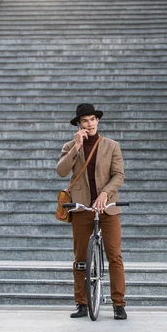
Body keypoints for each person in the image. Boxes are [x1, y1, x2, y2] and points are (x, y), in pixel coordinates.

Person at [56, 103, 127, 320]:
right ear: (79, 125)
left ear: (98, 121)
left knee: (114, 255)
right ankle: (82, 303)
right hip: (81, 207)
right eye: (85, 121)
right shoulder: (70, 146)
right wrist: (77, 147)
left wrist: (106, 193)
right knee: (80, 258)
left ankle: (118, 304)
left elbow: (119, 175)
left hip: (108, 208)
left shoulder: (111, 145)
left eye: (93, 119)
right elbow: (61, 171)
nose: (90, 124)